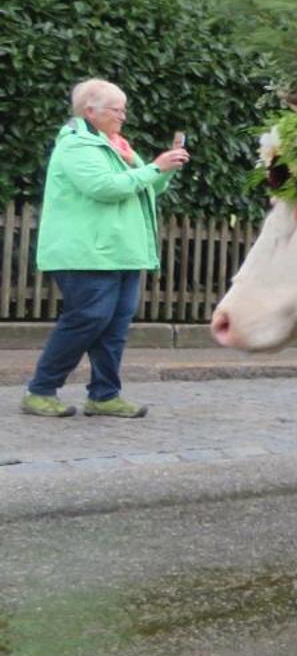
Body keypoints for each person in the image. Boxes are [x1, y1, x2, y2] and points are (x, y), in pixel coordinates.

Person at [20, 80, 187, 418]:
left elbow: (144, 187)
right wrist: (155, 167)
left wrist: (164, 171)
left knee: (114, 328)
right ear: (89, 111)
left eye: (123, 109)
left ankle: (104, 395)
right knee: (87, 319)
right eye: (116, 109)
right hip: (85, 252)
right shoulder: (77, 146)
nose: (123, 116)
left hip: (121, 252)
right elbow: (103, 188)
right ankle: (40, 390)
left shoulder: (117, 146)